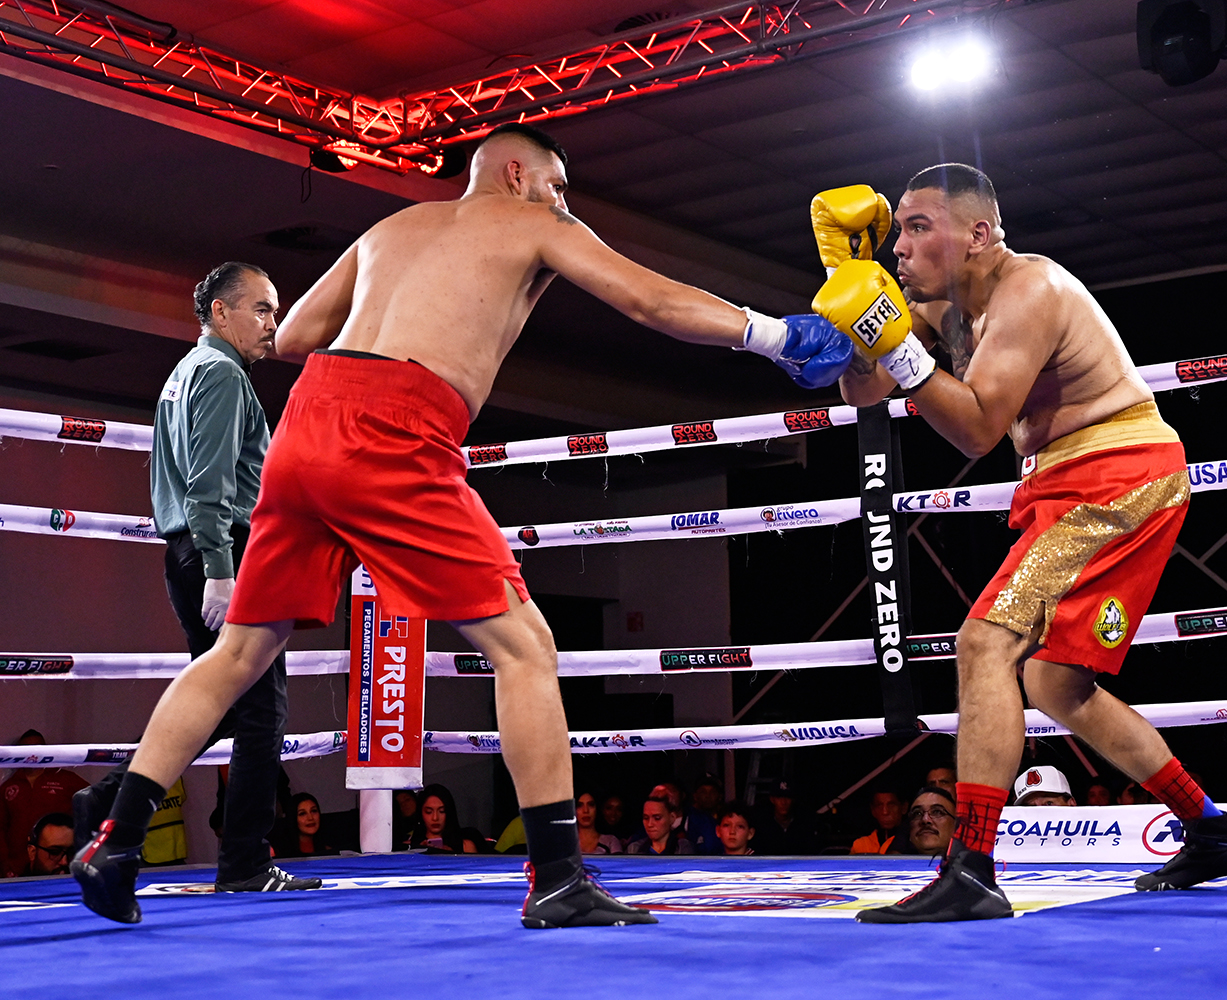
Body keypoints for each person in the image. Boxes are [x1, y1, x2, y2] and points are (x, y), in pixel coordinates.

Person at [69, 122, 849, 928]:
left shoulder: (390, 227)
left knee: (241, 650)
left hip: (306, 424)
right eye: (556, 183)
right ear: (516, 173)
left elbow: (295, 336)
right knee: (525, 648)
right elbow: (649, 300)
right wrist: (777, 336)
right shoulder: (537, 222)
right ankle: (557, 879)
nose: (563, 200)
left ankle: (116, 843)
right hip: (396, 429)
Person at [817, 168, 1227, 923]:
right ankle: (1214, 832)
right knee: (1058, 686)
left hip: (1116, 474)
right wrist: (857, 306)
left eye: (919, 226)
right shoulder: (940, 306)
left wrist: (896, 338)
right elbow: (859, 394)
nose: (900, 244)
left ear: (979, 234)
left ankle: (975, 867)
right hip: (1066, 480)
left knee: (984, 643)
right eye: (898, 231)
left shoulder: (1033, 290)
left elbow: (978, 427)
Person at [72, 263, 319, 895]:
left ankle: (105, 802)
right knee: (263, 714)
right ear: (219, 313)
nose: (274, 324)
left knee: (222, 703)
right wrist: (220, 569)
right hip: (225, 551)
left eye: (275, 309)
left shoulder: (182, 375)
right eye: (261, 309)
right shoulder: (221, 375)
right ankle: (245, 862)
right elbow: (206, 487)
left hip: (191, 550)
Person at [0, 730, 87, 878]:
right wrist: (4, 861)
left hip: (58, 861)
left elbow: (94, 805)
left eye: (37, 748)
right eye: (26, 749)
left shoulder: (66, 779)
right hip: (17, 865)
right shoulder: (8, 787)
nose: (32, 755)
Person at [752, 779, 819, 855]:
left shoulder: (804, 824)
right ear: (772, 799)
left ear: (793, 799)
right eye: (779, 797)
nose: (783, 802)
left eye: (787, 797)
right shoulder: (761, 825)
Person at [406, 785, 464, 853]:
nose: (435, 818)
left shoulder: (465, 846)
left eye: (442, 811)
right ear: (420, 813)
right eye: (429, 812)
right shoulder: (408, 848)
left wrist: (452, 856)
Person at [627, 797, 692, 856]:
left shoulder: (682, 847)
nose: (650, 824)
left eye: (657, 818)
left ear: (672, 818)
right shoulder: (634, 849)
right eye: (646, 818)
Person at [279, 793, 338, 858]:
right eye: (302, 813)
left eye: (313, 811)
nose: (310, 818)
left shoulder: (329, 852)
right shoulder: (277, 853)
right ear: (293, 818)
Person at [851, 788, 906, 854]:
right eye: (879, 805)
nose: (885, 812)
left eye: (891, 805)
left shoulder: (912, 842)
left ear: (904, 807)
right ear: (873, 810)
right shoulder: (860, 845)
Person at [906, 788, 958, 856]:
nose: (925, 820)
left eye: (937, 812)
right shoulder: (894, 865)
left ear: (956, 825)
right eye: (917, 813)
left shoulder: (973, 865)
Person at [684, 774, 724, 854]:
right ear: (695, 796)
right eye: (703, 792)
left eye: (712, 792)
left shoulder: (726, 817)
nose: (708, 796)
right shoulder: (687, 817)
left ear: (720, 796)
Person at [577, 791, 623, 855]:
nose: (585, 810)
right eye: (579, 805)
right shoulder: (565, 842)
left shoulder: (610, 841)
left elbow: (618, 864)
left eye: (591, 805)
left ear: (597, 808)